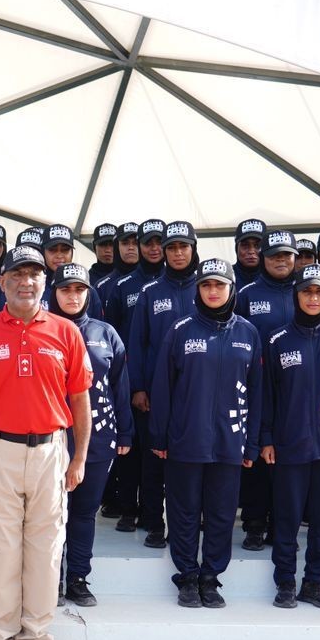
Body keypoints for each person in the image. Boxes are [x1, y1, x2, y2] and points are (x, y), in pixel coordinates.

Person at [0, 244, 90, 640]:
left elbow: (79, 400)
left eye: (34, 274)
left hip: (51, 451)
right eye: (17, 274)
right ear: (3, 282)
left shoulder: (66, 332)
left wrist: (79, 457)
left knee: (45, 551)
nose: (26, 281)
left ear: (43, 281)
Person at [149, 258, 262, 609]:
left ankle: (211, 578)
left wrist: (252, 441)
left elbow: (258, 392)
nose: (213, 291)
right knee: (183, 511)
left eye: (220, 285)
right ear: (198, 289)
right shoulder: (180, 330)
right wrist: (160, 436)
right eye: (206, 285)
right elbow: (163, 386)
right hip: (187, 439)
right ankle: (186, 576)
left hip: (230, 442)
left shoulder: (248, 332)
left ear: (231, 289)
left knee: (221, 513)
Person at [259, 265, 320, 609]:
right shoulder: (276, 339)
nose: (313, 298)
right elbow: (267, 394)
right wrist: (267, 437)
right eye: (307, 292)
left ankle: (314, 582)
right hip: (289, 446)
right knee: (286, 518)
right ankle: (285, 581)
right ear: (296, 295)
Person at [47, 262, 132, 608]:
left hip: (97, 439)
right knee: (49, 515)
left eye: (79, 289)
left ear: (89, 293)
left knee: (83, 513)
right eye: (65, 289)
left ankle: (78, 578)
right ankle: (50, 579)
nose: (72, 296)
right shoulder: (42, 329)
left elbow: (120, 386)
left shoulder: (106, 332)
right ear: (53, 291)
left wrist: (125, 430)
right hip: (49, 437)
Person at [127, 221, 201, 549]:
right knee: (154, 460)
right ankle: (154, 522)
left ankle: (189, 522)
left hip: (197, 393)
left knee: (192, 463)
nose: (177, 252)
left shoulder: (209, 287)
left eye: (183, 246)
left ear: (193, 248)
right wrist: (139, 387)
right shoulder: (150, 292)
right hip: (156, 393)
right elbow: (137, 343)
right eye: (172, 248)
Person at [234, 229, 299, 551]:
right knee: (258, 453)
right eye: (274, 255)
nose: (280, 261)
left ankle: (281, 524)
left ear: (295, 258)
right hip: (257, 385)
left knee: (288, 459)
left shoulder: (306, 291)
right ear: (263, 259)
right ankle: (254, 523)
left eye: (286, 255)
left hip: (297, 388)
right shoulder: (247, 294)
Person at [100, 218, 165, 531]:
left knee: (158, 452)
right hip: (128, 379)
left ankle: (154, 513)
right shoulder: (121, 286)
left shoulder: (181, 284)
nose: (153, 249)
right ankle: (128, 507)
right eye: (147, 242)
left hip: (167, 383)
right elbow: (113, 334)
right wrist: (135, 385)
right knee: (130, 448)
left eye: (158, 242)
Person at [232, 219, 265, 287]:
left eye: (257, 246)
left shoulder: (275, 277)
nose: (251, 251)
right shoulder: (225, 278)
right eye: (245, 245)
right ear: (236, 248)